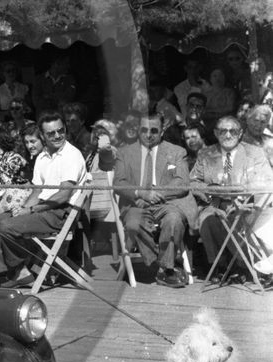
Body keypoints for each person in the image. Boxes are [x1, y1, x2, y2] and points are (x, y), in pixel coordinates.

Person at [0, 111, 89, 287]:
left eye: (60, 131)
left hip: (61, 212)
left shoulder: (71, 155)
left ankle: (21, 271)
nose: (57, 135)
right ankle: (16, 271)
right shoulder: (42, 157)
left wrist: (30, 211)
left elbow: (63, 195)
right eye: (51, 133)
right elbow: (37, 191)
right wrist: (21, 210)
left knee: (7, 227)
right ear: (43, 136)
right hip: (42, 209)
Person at [112, 114, 198, 288]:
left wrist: (155, 193)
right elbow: (119, 183)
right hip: (136, 204)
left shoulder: (176, 152)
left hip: (167, 203)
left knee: (174, 219)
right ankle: (165, 264)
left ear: (163, 130)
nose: (148, 135)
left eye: (154, 130)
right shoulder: (124, 152)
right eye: (143, 130)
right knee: (134, 224)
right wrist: (141, 194)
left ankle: (165, 268)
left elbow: (182, 183)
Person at [190, 115, 273, 273]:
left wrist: (244, 198)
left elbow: (267, 182)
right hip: (215, 203)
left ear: (241, 133)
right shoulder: (206, 154)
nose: (228, 135)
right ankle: (221, 266)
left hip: (246, 204)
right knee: (207, 219)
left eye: (233, 131)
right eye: (223, 131)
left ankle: (243, 265)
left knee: (245, 220)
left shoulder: (254, 153)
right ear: (215, 133)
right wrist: (209, 191)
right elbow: (193, 181)